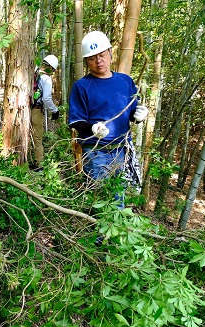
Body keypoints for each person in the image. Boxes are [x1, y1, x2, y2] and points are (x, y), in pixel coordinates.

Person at [68, 31, 148, 206]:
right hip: (96, 152)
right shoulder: (81, 86)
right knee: (100, 201)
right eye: (92, 58)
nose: (99, 61)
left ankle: (115, 232)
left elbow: (132, 112)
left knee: (119, 199)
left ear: (110, 53)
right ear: (86, 61)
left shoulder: (125, 81)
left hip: (121, 150)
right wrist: (92, 129)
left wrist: (140, 116)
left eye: (102, 55)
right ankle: (98, 233)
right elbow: (75, 121)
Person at [31, 54, 59, 171]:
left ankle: (30, 160)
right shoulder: (46, 79)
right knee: (37, 138)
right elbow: (46, 99)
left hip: (27, 108)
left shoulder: (33, 73)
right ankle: (40, 165)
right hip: (36, 111)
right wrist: (55, 110)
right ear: (51, 68)